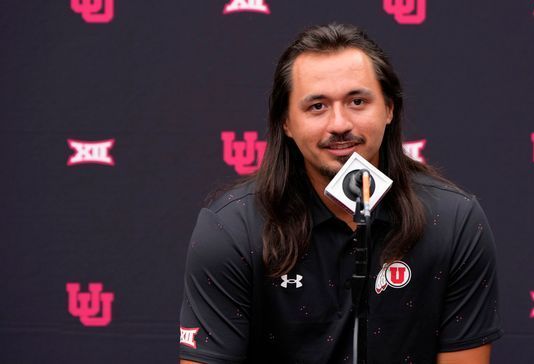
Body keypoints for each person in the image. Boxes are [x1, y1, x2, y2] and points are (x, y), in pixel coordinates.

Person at [179, 23, 502, 364]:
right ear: (286, 122)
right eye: (317, 106)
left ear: (389, 109)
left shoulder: (453, 221)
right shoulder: (231, 229)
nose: (339, 124)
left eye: (357, 101)